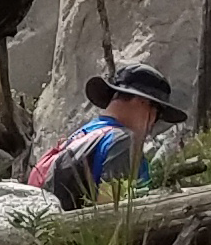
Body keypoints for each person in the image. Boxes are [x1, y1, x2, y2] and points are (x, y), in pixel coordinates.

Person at [40, 61, 179, 204]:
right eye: (157, 114)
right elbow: (113, 212)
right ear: (142, 103)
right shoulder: (123, 142)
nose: (152, 126)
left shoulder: (81, 136)